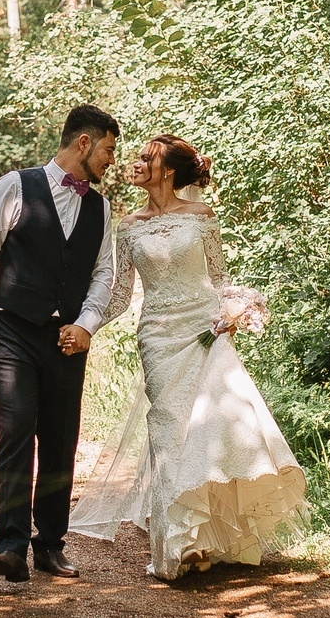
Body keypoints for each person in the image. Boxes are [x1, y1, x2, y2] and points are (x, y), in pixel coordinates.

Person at [72, 134, 306, 580]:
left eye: (146, 158)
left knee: (210, 432)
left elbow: (220, 279)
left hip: (205, 332)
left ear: (170, 170)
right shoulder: (129, 225)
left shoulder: (201, 217)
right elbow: (120, 294)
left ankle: (210, 540)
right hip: (158, 337)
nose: (136, 163)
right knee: (168, 432)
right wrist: (85, 326)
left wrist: (236, 312)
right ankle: (174, 546)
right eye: (136, 156)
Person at [0, 105, 122, 584]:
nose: (112, 160)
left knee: (60, 439)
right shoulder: (16, 185)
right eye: (109, 150)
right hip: (12, 328)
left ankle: (50, 544)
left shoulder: (101, 207)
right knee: (16, 431)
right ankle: (9, 546)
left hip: (67, 339)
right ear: (84, 144)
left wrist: (87, 324)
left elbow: (103, 275)